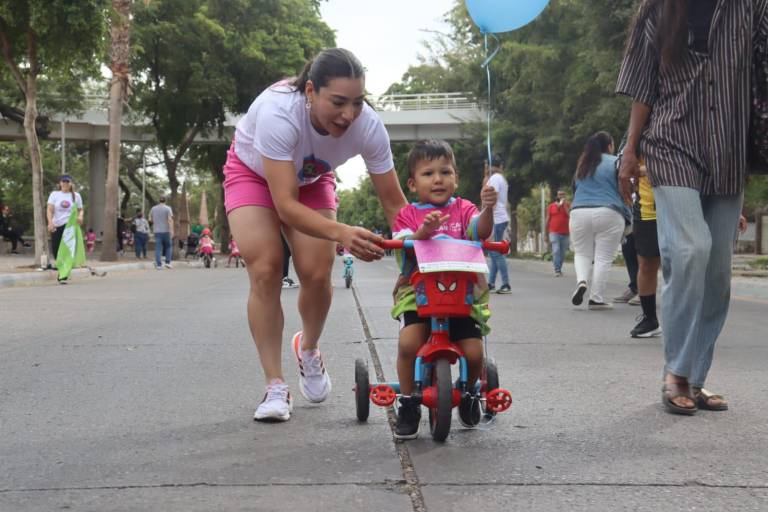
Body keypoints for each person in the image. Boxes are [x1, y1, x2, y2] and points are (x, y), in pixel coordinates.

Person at [223, 48, 407, 422]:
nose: (348, 114)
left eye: (357, 103)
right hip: (253, 174)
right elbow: (286, 206)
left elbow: (395, 204)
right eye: (338, 102)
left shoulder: (368, 126)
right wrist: (342, 232)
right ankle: (275, 385)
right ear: (310, 91)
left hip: (311, 177)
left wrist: (415, 263)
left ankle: (308, 348)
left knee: (318, 271)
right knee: (266, 268)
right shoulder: (279, 113)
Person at [616, 0, 767, 414]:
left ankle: (695, 378)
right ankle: (676, 373)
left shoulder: (750, 7)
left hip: (729, 152)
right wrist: (630, 149)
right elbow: (644, 87)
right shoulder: (658, 8)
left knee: (717, 269)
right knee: (690, 249)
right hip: (671, 142)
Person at [390, 140, 497, 439]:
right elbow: (402, 241)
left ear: (456, 178)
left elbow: (480, 230)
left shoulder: (464, 209)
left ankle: (469, 394)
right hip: (419, 292)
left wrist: (488, 208)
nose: (438, 179)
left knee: (474, 353)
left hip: (460, 293)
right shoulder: (407, 214)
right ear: (412, 183)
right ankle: (408, 402)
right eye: (428, 174)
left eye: (445, 172)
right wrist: (422, 233)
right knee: (409, 343)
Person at [568, 132, 631, 310]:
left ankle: (581, 281)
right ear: (609, 146)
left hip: (579, 212)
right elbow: (624, 186)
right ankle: (596, 298)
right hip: (609, 211)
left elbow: (574, 188)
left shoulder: (582, 165)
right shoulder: (615, 162)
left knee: (582, 253)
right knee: (603, 257)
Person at [629, 160, 662, 338]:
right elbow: (624, 166)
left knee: (685, 264)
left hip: (686, 206)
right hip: (647, 210)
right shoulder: (636, 136)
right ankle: (650, 319)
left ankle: (692, 322)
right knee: (647, 263)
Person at [483, 155, 511, 293]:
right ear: (501, 166)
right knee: (495, 251)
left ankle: (506, 284)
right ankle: (491, 282)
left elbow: (491, 200)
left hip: (496, 218)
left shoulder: (494, 179)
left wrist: (486, 216)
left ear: (488, 166)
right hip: (501, 217)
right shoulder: (501, 179)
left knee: (495, 252)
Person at [46, 174, 83, 270]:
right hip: (57, 224)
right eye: (63, 181)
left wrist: (80, 216)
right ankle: (60, 263)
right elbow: (49, 210)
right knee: (55, 247)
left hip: (69, 225)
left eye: (67, 182)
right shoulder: (54, 194)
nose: (65, 183)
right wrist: (50, 222)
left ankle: (65, 268)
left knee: (67, 247)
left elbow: (80, 209)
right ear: (60, 183)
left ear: (71, 183)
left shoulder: (76, 196)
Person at [545, 190, 570, 277]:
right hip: (554, 232)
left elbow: (569, 215)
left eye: (563, 194)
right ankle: (557, 270)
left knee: (562, 253)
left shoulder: (567, 205)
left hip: (565, 233)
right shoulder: (551, 206)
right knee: (556, 251)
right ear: (557, 196)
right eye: (559, 194)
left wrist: (564, 205)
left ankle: (559, 268)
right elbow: (547, 219)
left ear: (565, 196)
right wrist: (545, 233)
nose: (561, 196)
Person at [149, 196, 174, 269]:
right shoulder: (168, 208)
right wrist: (171, 230)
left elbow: (150, 219)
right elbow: (170, 219)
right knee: (168, 246)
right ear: (165, 201)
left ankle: (159, 265)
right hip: (166, 231)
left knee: (158, 248)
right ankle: (168, 262)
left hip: (157, 231)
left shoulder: (153, 208)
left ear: (159, 201)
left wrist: (156, 222)